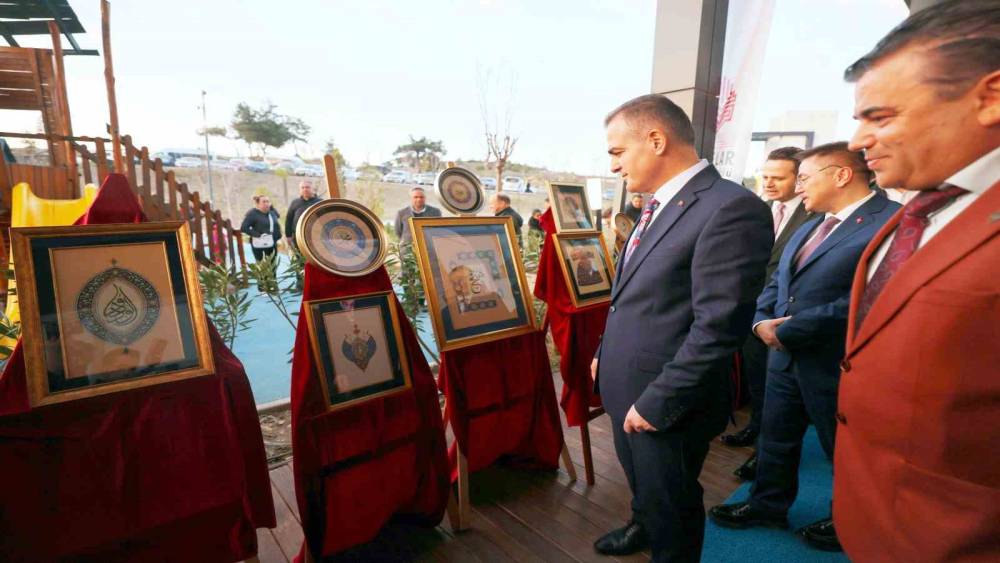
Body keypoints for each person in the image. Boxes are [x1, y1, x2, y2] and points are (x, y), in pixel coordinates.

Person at [833, 3, 1000, 561]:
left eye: (879, 117)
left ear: (991, 97)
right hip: (877, 518)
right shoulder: (916, 210)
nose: (857, 141)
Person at [591, 94, 772, 563]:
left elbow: (719, 326)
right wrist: (604, 351)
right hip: (627, 381)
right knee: (646, 488)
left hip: (666, 397)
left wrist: (659, 399)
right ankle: (641, 523)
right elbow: (635, 295)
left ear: (656, 140)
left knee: (672, 505)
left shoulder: (731, 208)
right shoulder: (658, 205)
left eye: (617, 152)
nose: (613, 166)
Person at [708, 143, 900, 552]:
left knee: (843, 449)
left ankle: (849, 521)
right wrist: (760, 321)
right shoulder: (813, 223)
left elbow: (872, 297)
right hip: (784, 357)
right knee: (775, 438)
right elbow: (778, 281)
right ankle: (766, 505)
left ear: (841, 175)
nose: (799, 188)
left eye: (806, 178)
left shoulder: (890, 222)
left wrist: (791, 330)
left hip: (836, 363)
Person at [721, 146, 817, 480]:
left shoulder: (816, 215)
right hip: (751, 312)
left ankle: (765, 453)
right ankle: (756, 428)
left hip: (785, 318)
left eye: (778, 177)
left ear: (799, 178)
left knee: (781, 392)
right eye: (765, 176)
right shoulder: (758, 209)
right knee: (758, 381)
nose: (769, 183)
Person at [241, 195, 281, 262]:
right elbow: (244, 228)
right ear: (258, 204)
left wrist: (278, 236)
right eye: (264, 202)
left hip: (272, 244)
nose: (266, 203)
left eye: (267, 201)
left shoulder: (272, 212)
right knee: (262, 265)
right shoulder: (253, 214)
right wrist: (257, 235)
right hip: (259, 245)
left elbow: (278, 217)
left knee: (273, 265)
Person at [284, 180, 322, 250]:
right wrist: (288, 236)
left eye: (307, 187)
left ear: (313, 189)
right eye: (302, 187)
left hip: (316, 237)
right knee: (299, 256)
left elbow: (325, 219)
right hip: (298, 237)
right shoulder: (295, 202)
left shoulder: (320, 202)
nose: (305, 189)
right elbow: (289, 219)